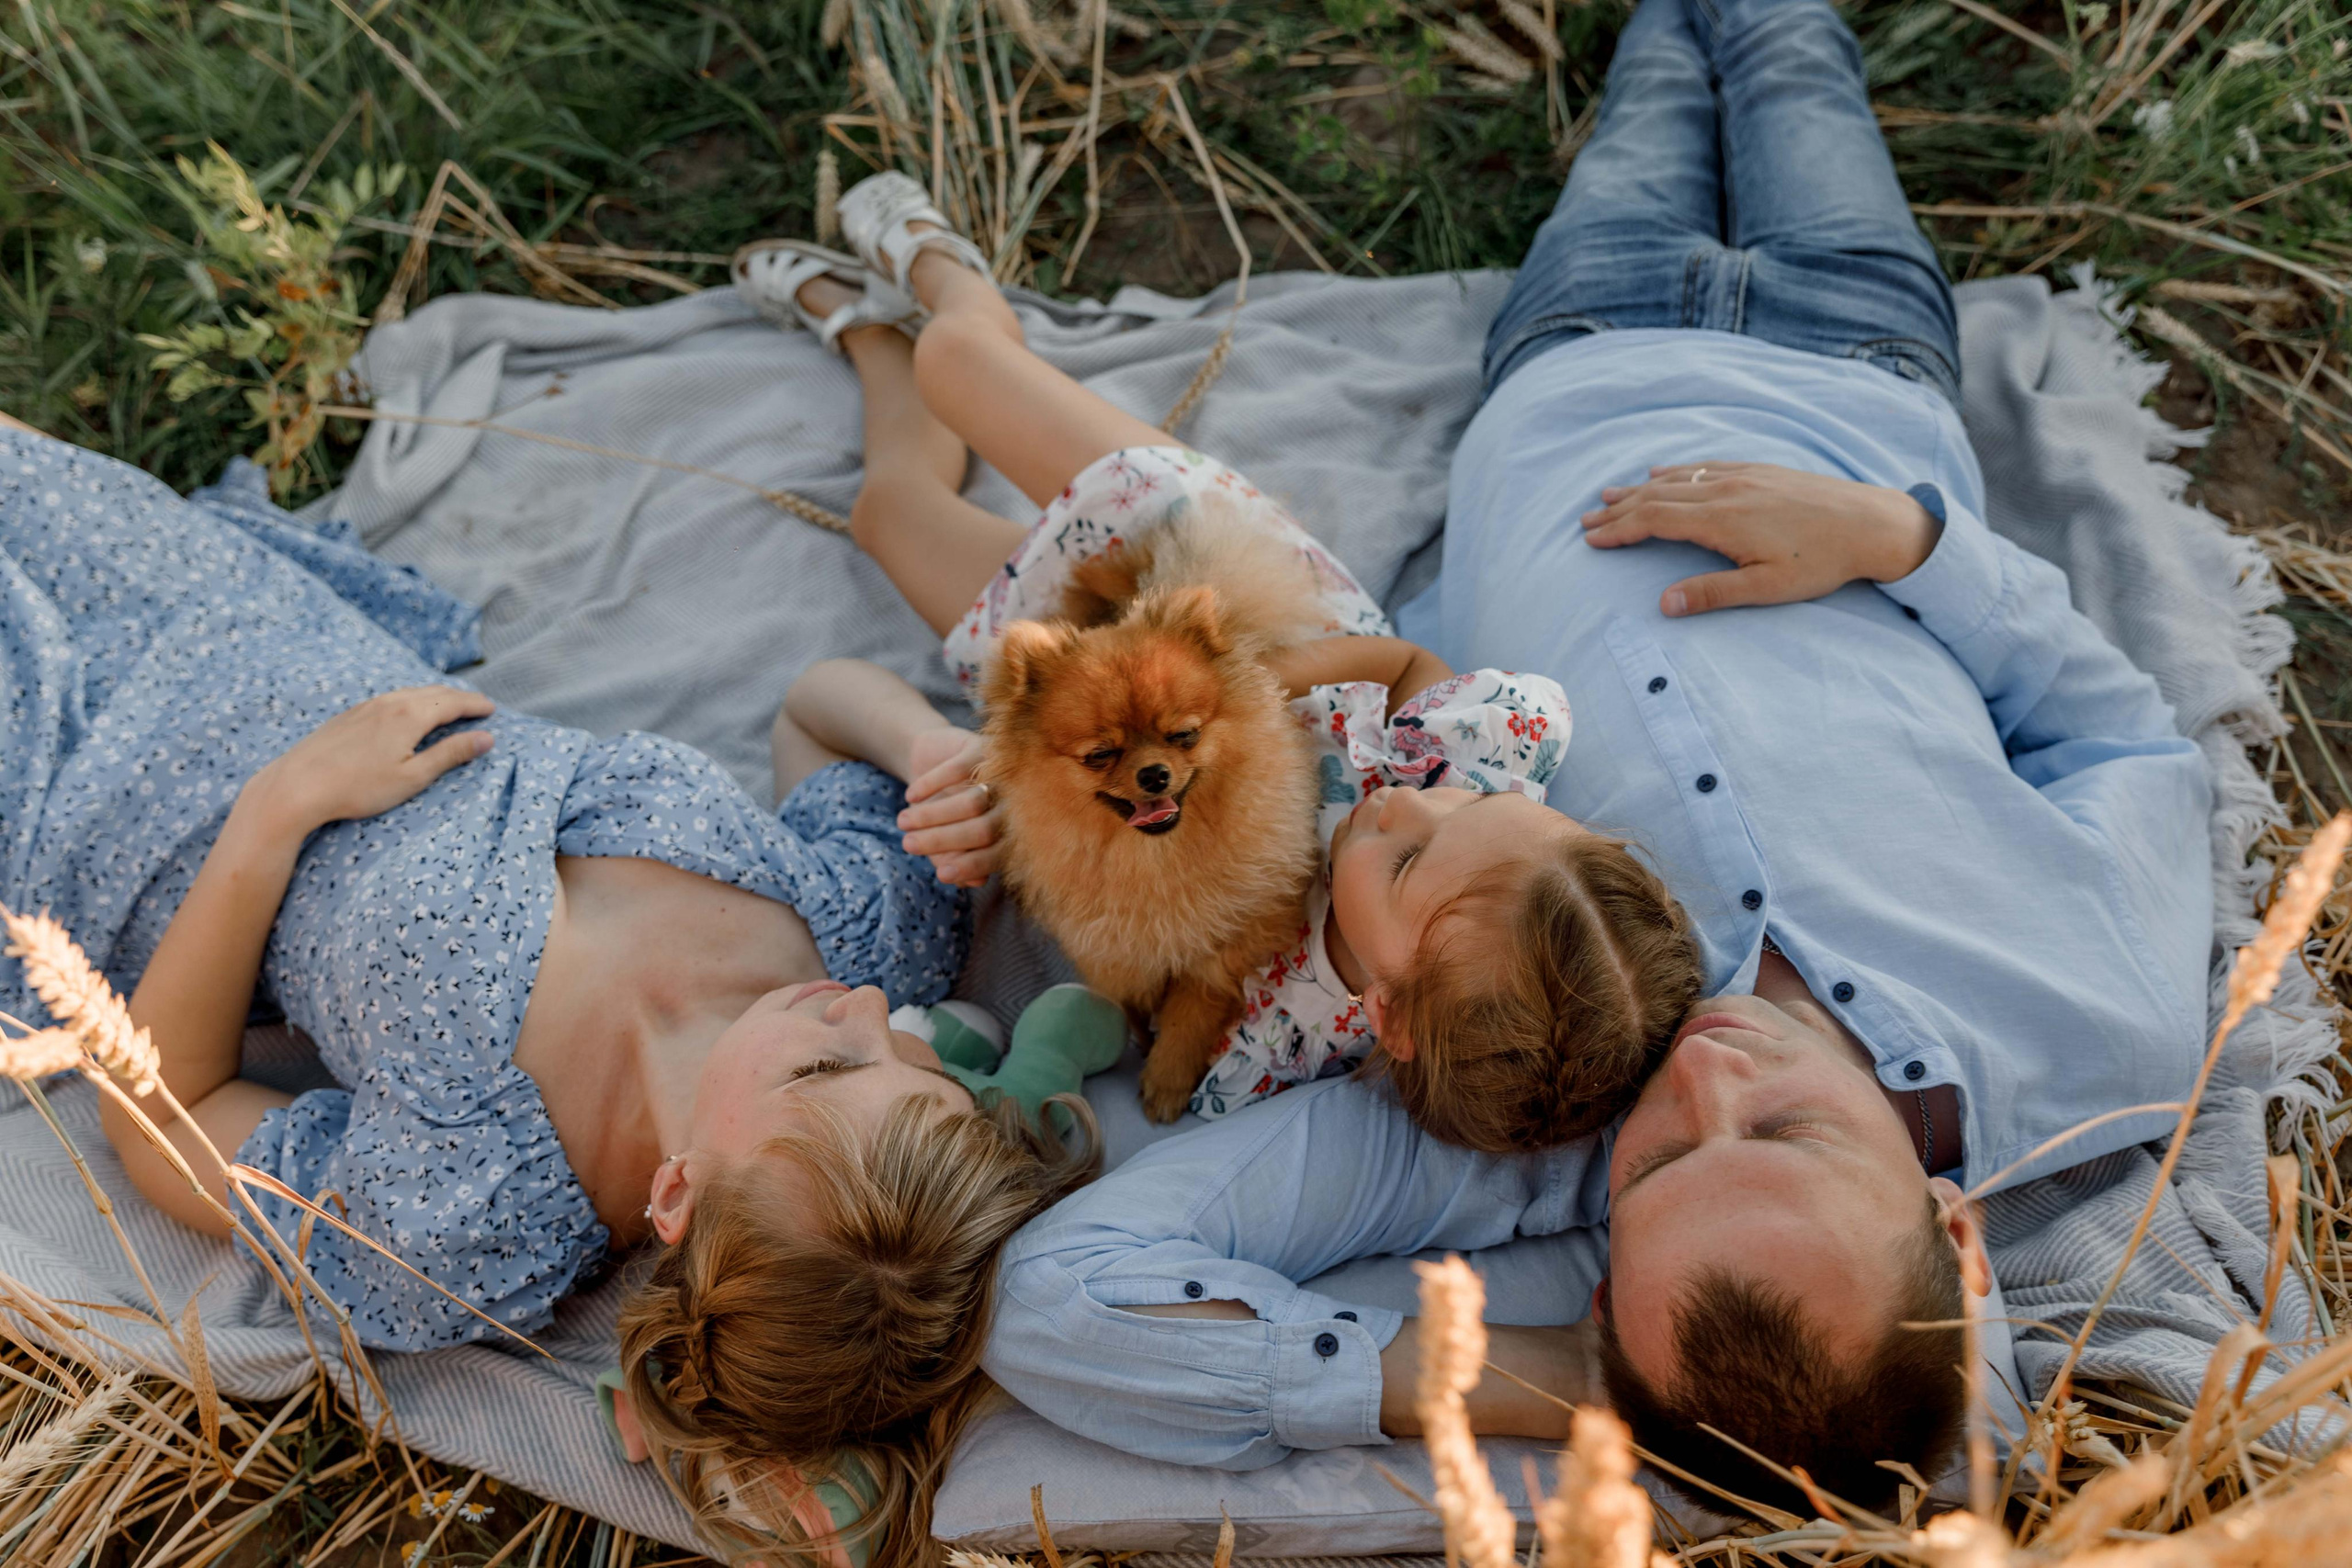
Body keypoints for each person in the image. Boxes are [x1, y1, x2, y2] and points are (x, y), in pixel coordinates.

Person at [978, 0, 2211, 1519]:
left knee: (1648, 96)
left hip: (1569, 366)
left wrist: (1555, 1383)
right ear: (1954, 1230)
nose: (1704, 1078)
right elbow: (2120, 734)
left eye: (1667, 1165)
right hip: (1863, 379)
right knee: (1788, 56)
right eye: (1793, 1126)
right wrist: (1902, 538)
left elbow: (1061, 1298)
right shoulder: (2110, 1028)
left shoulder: (1515, 1099)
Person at [0, 410, 1102, 1567]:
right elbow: (812, 708)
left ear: (678, 1197)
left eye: (828, 1069)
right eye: (918, 1064)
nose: (869, 1012)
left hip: (104, 804)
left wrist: (277, 816)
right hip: (253, 624)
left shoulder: (467, 1220)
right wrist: (924, 746)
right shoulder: (862, 936)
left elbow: (158, 1121)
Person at [729, 172, 1702, 1148]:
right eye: (1475, 809)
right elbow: (1404, 663)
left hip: (1093, 691)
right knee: (961, 362)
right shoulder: (1486, 752)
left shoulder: (1273, 1042)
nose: (1410, 802)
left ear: (1390, 1021)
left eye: (1405, 860)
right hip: (1226, 594)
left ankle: (861, 333)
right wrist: (1262, 681)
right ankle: (944, 275)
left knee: (887, 516)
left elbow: (1147, 984)